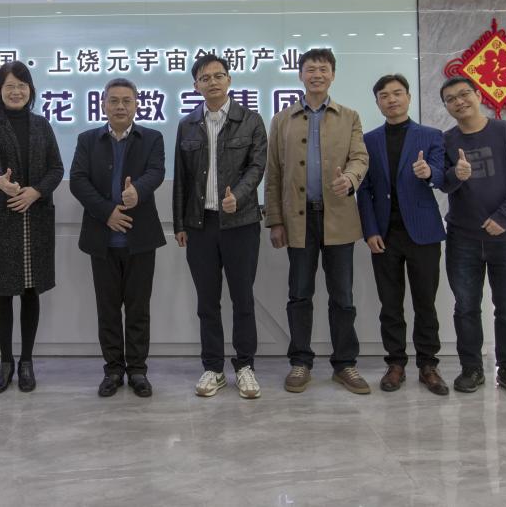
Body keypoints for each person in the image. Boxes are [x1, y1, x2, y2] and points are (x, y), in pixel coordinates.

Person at [265, 48, 370, 395]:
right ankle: (300, 362)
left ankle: (345, 364)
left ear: (333, 75)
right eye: (310, 69)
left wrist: (350, 179)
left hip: (339, 218)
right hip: (298, 220)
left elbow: (360, 158)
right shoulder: (282, 120)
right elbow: (274, 172)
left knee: (343, 296)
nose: (317, 75)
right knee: (299, 294)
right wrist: (275, 220)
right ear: (300, 75)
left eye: (323, 69)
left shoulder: (349, 116)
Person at [173, 55, 267, 399]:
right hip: (200, 226)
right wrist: (180, 223)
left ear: (229, 80)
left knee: (243, 299)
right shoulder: (187, 125)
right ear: (196, 85)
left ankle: (245, 367)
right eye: (205, 77)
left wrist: (238, 196)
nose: (212, 82)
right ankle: (213, 368)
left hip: (241, 224)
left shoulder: (251, 120)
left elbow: (257, 166)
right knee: (207, 302)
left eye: (218, 75)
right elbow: (181, 178)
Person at [438, 76, 506, 399]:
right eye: (451, 99)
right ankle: (471, 369)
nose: (459, 101)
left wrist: (504, 217)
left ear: (478, 95)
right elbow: (443, 184)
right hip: (462, 239)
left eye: (464, 94)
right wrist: (456, 174)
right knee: (466, 307)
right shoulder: (447, 140)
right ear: (447, 107)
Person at [70, 78, 166, 398]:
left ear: (137, 105)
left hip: (141, 240)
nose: (120, 106)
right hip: (102, 240)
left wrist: (138, 190)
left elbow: (156, 171)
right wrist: (107, 212)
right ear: (103, 105)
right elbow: (78, 180)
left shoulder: (152, 138)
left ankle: (137, 370)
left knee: (138, 309)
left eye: (127, 100)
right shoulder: (87, 140)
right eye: (114, 100)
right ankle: (113, 370)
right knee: (108, 310)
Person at [356, 74, 449, 395]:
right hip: (385, 234)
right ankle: (395, 363)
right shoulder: (369, 141)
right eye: (384, 95)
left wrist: (429, 173)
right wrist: (370, 230)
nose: (391, 99)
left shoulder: (431, 135)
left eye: (397, 93)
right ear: (378, 102)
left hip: (423, 233)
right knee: (390, 304)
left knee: (425, 303)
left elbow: (441, 176)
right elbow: (364, 190)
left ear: (408, 97)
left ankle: (428, 365)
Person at [0, 62, 63, 394]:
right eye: (9, 86)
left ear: (31, 90)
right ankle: (5, 362)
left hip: (36, 216)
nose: (16, 91)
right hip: (3, 216)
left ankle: (26, 361)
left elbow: (56, 168)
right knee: (2, 291)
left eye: (22, 86)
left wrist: (35, 191)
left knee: (30, 291)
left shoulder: (42, 124)